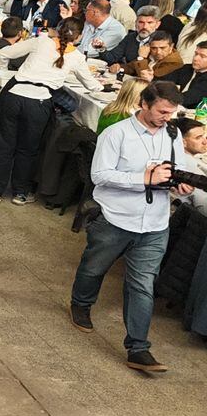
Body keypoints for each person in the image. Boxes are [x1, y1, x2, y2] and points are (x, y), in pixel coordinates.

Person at [69, 80, 186, 372]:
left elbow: (175, 171)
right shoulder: (116, 134)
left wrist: (180, 185)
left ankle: (138, 348)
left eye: (171, 113)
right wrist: (142, 179)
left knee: (142, 285)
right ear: (143, 104)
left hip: (156, 224)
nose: (166, 118)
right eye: (161, 112)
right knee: (94, 268)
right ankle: (80, 304)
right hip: (115, 218)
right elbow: (100, 175)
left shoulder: (173, 135)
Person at [0, 19, 103, 204]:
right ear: (80, 36)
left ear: (57, 30)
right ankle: (20, 193)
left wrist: (5, 74)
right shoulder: (77, 57)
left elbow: (3, 52)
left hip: (14, 95)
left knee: (4, 145)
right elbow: (92, 85)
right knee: (28, 149)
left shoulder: (41, 40)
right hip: (39, 102)